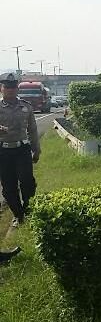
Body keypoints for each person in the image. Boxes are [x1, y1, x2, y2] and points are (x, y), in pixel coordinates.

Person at [0, 72, 40, 228]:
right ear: (1, 89)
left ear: (17, 89)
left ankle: (28, 209)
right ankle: (18, 215)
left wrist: (36, 150)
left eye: (13, 87)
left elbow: (33, 130)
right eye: (7, 87)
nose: (10, 90)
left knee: (27, 181)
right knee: (8, 186)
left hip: (22, 150)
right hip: (3, 152)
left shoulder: (26, 107)